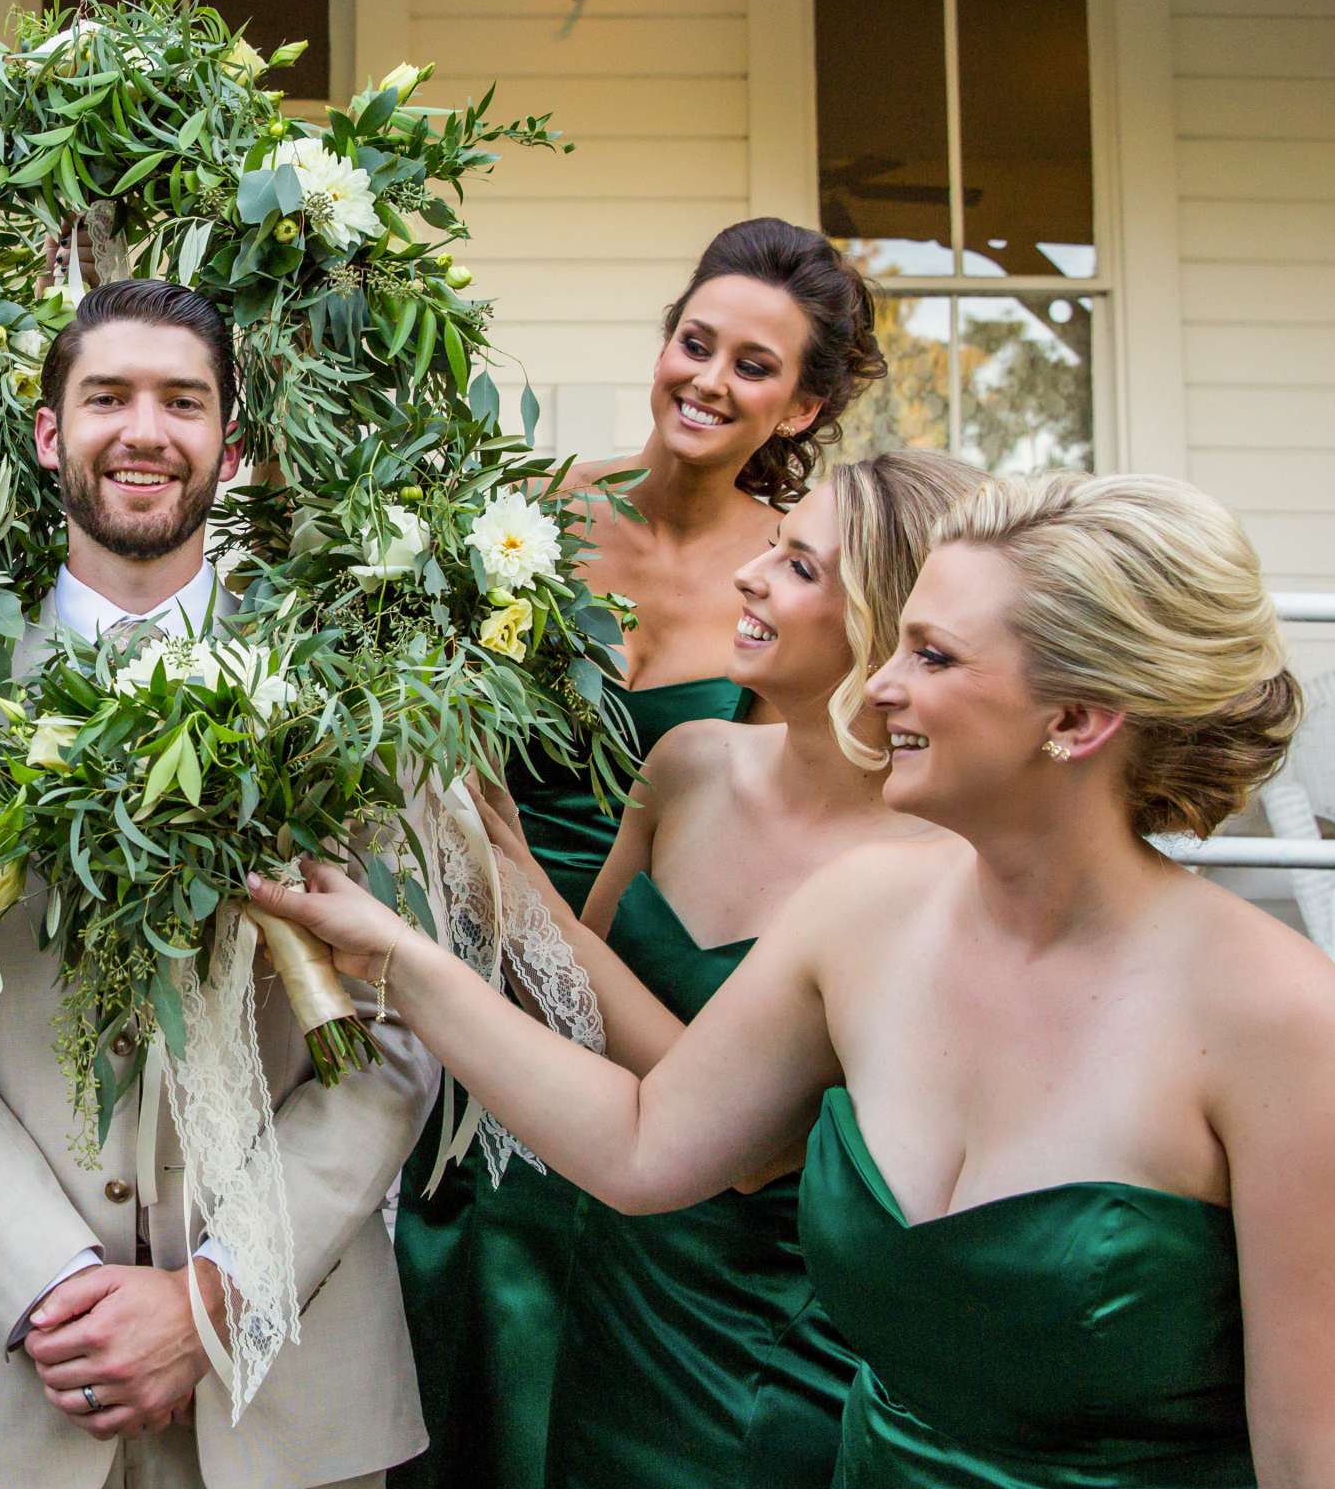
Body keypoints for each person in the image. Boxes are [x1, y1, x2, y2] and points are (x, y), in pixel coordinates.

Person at [256, 473, 1330, 1488]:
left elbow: (1307, 1454)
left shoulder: (1277, 1019)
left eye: (935, 658)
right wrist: (395, 955)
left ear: (1077, 719)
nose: (886, 684)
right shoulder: (862, 914)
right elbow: (641, 1143)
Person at [0, 279, 439, 1489]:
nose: (143, 430)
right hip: (9, 1377)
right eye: (106, 395)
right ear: (47, 432)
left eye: (183, 401)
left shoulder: (341, 693)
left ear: (230, 445)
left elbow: (396, 1036)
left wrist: (215, 1295)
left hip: (287, 1389)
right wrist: (54, 1283)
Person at [395, 215, 889, 1488]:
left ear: (802, 405)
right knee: (443, 1292)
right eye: (695, 342)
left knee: (577, 1314)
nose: (708, 381)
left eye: (754, 367)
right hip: (464, 938)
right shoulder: (524, 517)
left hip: (662, 984)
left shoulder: (801, 590)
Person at [512, 450, 988, 1489]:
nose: (751, 576)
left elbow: (749, 1143)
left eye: (799, 567)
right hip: (603, 1296)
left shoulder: (930, 872)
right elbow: (570, 1002)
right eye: (770, 548)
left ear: (884, 621)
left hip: (758, 1362)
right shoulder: (684, 763)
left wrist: (524, 897)